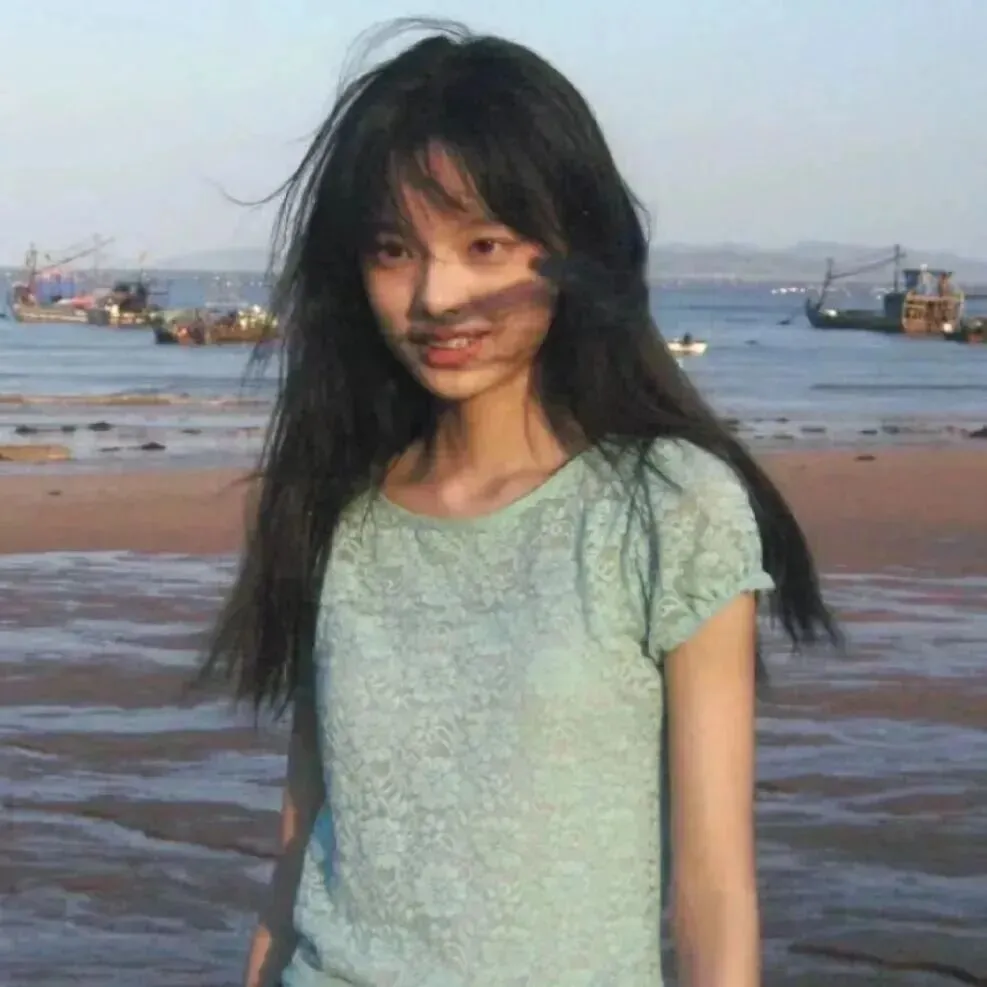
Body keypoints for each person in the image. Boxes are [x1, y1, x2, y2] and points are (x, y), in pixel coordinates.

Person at [201, 19, 838, 987]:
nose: (436, 295)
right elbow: (299, 856)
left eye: (485, 244)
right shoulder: (336, 516)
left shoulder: (666, 508)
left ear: (573, 250)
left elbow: (712, 891)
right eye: (393, 250)